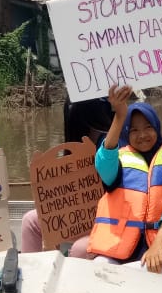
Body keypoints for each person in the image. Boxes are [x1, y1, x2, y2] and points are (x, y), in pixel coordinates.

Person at [87, 85, 162, 276]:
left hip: (161, 243)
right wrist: (119, 116)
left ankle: (116, 279)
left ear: (157, 128)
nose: (142, 135)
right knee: (100, 264)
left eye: (148, 128)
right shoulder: (119, 161)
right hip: (119, 246)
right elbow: (103, 164)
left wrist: (158, 243)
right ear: (127, 133)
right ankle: (118, 278)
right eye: (134, 130)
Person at [19, 93, 115, 255]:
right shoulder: (73, 144)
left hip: (107, 217)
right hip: (77, 215)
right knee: (30, 220)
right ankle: (34, 272)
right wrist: (53, 229)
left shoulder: (112, 143)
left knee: (79, 248)